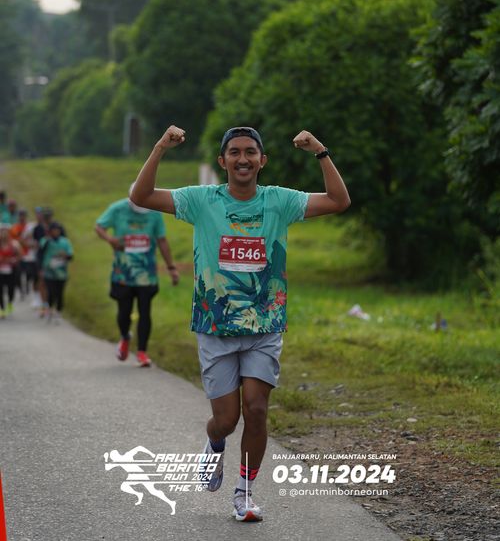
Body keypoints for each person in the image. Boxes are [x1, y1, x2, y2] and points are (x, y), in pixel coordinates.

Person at [130, 124, 351, 522]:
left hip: (264, 326)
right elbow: (141, 196)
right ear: (223, 161)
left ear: (262, 160)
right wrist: (161, 147)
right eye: (234, 152)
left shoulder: (279, 201)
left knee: (257, 409)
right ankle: (214, 444)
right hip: (215, 327)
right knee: (226, 421)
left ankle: (244, 494)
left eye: (251, 152)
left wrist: (321, 151)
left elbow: (339, 200)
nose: (243, 159)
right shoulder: (201, 200)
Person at [95, 184, 180, 367]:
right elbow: (99, 226)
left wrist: (171, 267)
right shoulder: (117, 209)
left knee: (145, 311)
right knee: (124, 312)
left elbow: (162, 240)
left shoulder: (155, 213)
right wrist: (110, 239)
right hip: (123, 273)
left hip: (146, 274)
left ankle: (142, 352)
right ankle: (125, 336)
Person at [38, 222, 73, 321]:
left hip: (61, 273)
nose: (56, 232)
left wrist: (65, 255)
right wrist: (40, 268)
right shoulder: (45, 241)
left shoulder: (65, 242)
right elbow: (40, 254)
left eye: (57, 230)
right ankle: (49, 309)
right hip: (49, 272)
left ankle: (58, 311)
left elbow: (70, 256)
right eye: (54, 230)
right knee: (50, 291)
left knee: (60, 293)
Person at [10, 208, 37, 299]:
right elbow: (13, 241)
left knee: (29, 273)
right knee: (18, 274)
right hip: (19, 254)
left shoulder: (30, 227)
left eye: (23, 215)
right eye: (20, 215)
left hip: (29, 254)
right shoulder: (14, 228)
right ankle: (21, 290)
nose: (22, 217)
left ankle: (27, 286)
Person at [0, 224, 22, 318]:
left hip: (11, 270)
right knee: (0, 290)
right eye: (2, 232)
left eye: (5, 232)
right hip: (1, 270)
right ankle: (2, 309)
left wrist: (13, 260)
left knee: (11, 289)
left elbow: (20, 255)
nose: (3, 234)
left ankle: (9, 302)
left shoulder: (14, 244)